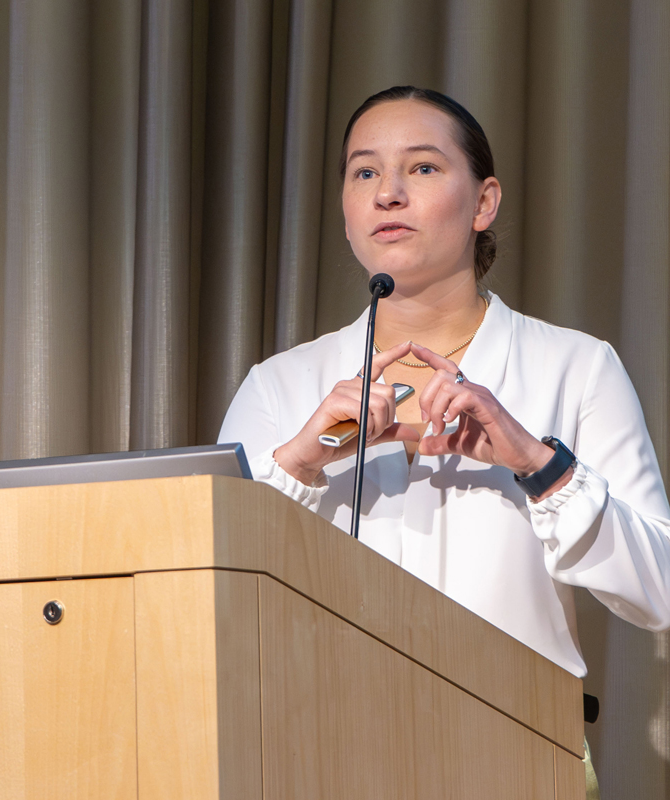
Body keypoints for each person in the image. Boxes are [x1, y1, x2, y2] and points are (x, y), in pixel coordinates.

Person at [218, 86, 670, 681]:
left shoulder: (577, 366)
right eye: (364, 173)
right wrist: (298, 463)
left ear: (484, 203)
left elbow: (658, 592)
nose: (387, 194)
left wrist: (538, 465)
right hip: (320, 750)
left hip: (515, 750)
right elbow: (211, 590)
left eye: (423, 167)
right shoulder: (278, 383)